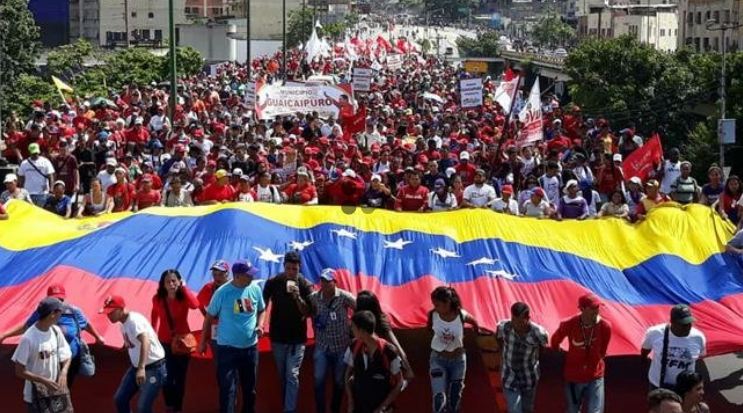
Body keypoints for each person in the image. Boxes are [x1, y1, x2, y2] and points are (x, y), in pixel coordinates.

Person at [0, 283, 105, 389]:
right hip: (50, 359)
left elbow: (86, 324)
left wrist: (98, 337)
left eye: (60, 299)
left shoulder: (74, 311)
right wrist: (5, 335)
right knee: (49, 387)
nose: (57, 303)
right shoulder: (42, 312)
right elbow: (26, 326)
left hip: (71, 357)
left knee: (65, 385)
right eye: (54, 300)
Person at [198, 260, 266, 413]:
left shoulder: (254, 288)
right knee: (227, 388)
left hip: (250, 348)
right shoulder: (222, 292)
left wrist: (260, 325)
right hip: (227, 349)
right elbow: (209, 317)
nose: (251, 278)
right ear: (237, 276)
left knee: (250, 390)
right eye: (248, 275)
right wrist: (202, 342)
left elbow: (262, 309)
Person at [263, 251, 313, 413]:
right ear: (284, 267)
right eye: (289, 268)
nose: (291, 272)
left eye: (295, 269)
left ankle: (289, 410)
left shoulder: (305, 285)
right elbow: (262, 304)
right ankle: (287, 406)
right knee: (283, 376)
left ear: (299, 269)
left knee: (292, 375)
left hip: (297, 339)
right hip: (277, 337)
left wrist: (298, 297)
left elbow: (308, 313)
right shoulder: (273, 282)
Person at [101, 294, 167, 413]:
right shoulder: (122, 323)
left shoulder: (134, 321)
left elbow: (145, 341)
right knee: (120, 399)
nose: (108, 315)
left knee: (143, 407)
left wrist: (141, 368)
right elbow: (132, 342)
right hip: (136, 367)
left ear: (121, 309)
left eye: (111, 312)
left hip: (153, 367)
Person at [550, 294, 612, 413]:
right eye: (593, 308)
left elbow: (603, 351)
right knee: (572, 410)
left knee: (596, 411)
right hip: (574, 376)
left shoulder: (605, 326)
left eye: (598, 307)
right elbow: (555, 341)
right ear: (582, 309)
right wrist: (560, 352)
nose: (596, 311)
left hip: (595, 375)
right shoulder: (569, 324)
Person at [151, 269, 200, 413]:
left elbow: (195, 305)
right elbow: (154, 313)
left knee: (180, 377)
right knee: (165, 376)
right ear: (163, 284)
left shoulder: (184, 296)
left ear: (179, 282)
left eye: (174, 281)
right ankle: (169, 404)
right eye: (168, 281)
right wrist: (153, 330)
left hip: (183, 342)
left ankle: (177, 407)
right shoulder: (157, 298)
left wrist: (184, 287)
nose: (171, 284)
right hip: (164, 342)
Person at [11, 297, 72, 413]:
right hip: (34, 397)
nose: (62, 315)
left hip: (54, 393)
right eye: (60, 312)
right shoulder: (28, 338)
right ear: (52, 314)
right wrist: (43, 381)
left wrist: (64, 372)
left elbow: (67, 355)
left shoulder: (55, 331)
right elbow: (19, 371)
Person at [309, 268, 356, 413]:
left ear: (335, 282)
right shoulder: (314, 297)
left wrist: (353, 329)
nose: (324, 284)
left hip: (341, 346)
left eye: (328, 281)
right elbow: (307, 311)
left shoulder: (344, 297)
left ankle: (335, 409)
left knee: (339, 382)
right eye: (322, 281)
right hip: (322, 346)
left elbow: (361, 308)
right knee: (318, 380)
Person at [427, 286, 481, 413]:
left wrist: (476, 332)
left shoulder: (460, 314)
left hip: (458, 361)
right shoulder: (433, 315)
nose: (435, 307)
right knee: (439, 398)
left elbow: (474, 321)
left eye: (438, 305)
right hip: (438, 359)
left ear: (448, 303)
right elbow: (430, 329)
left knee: (455, 398)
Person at [344, 310, 404, 413]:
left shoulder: (389, 351)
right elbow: (347, 375)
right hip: (359, 407)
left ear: (362, 331)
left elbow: (399, 382)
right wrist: (350, 401)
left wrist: (383, 407)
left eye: (353, 327)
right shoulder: (353, 347)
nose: (351, 330)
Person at [496, 302, 549, 413]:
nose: (516, 325)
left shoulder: (538, 333)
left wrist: (536, 361)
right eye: (514, 320)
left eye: (520, 322)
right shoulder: (504, 327)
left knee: (527, 408)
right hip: (510, 376)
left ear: (527, 318)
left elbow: (544, 349)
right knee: (514, 409)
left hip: (529, 377)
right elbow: (499, 339)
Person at [641, 305, 706, 390]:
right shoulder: (655, 333)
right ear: (672, 322)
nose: (688, 327)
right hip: (658, 385)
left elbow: (700, 356)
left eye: (689, 323)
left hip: (685, 388)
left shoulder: (698, 337)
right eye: (683, 324)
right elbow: (645, 351)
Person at [355, 290, 414, 380]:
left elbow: (397, 346)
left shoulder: (381, 323)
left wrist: (408, 369)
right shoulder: (361, 322)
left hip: (379, 361)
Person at [197, 259, 231, 350]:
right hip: (215, 328)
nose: (217, 278)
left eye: (220, 274)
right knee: (219, 358)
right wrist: (206, 315)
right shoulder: (208, 288)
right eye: (214, 275)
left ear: (227, 273)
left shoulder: (235, 288)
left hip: (233, 328)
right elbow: (198, 303)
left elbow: (242, 309)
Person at [18, 143, 55, 207]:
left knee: (41, 212)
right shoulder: (24, 163)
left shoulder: (45, 161)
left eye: (36, 153)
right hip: (28, 193)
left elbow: (51, 176)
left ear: (39, 151)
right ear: (29, 152)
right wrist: (21, 190)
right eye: (33, 153)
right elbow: (21, 177)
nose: (35, 155)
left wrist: (51, 189)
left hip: (42, 193)